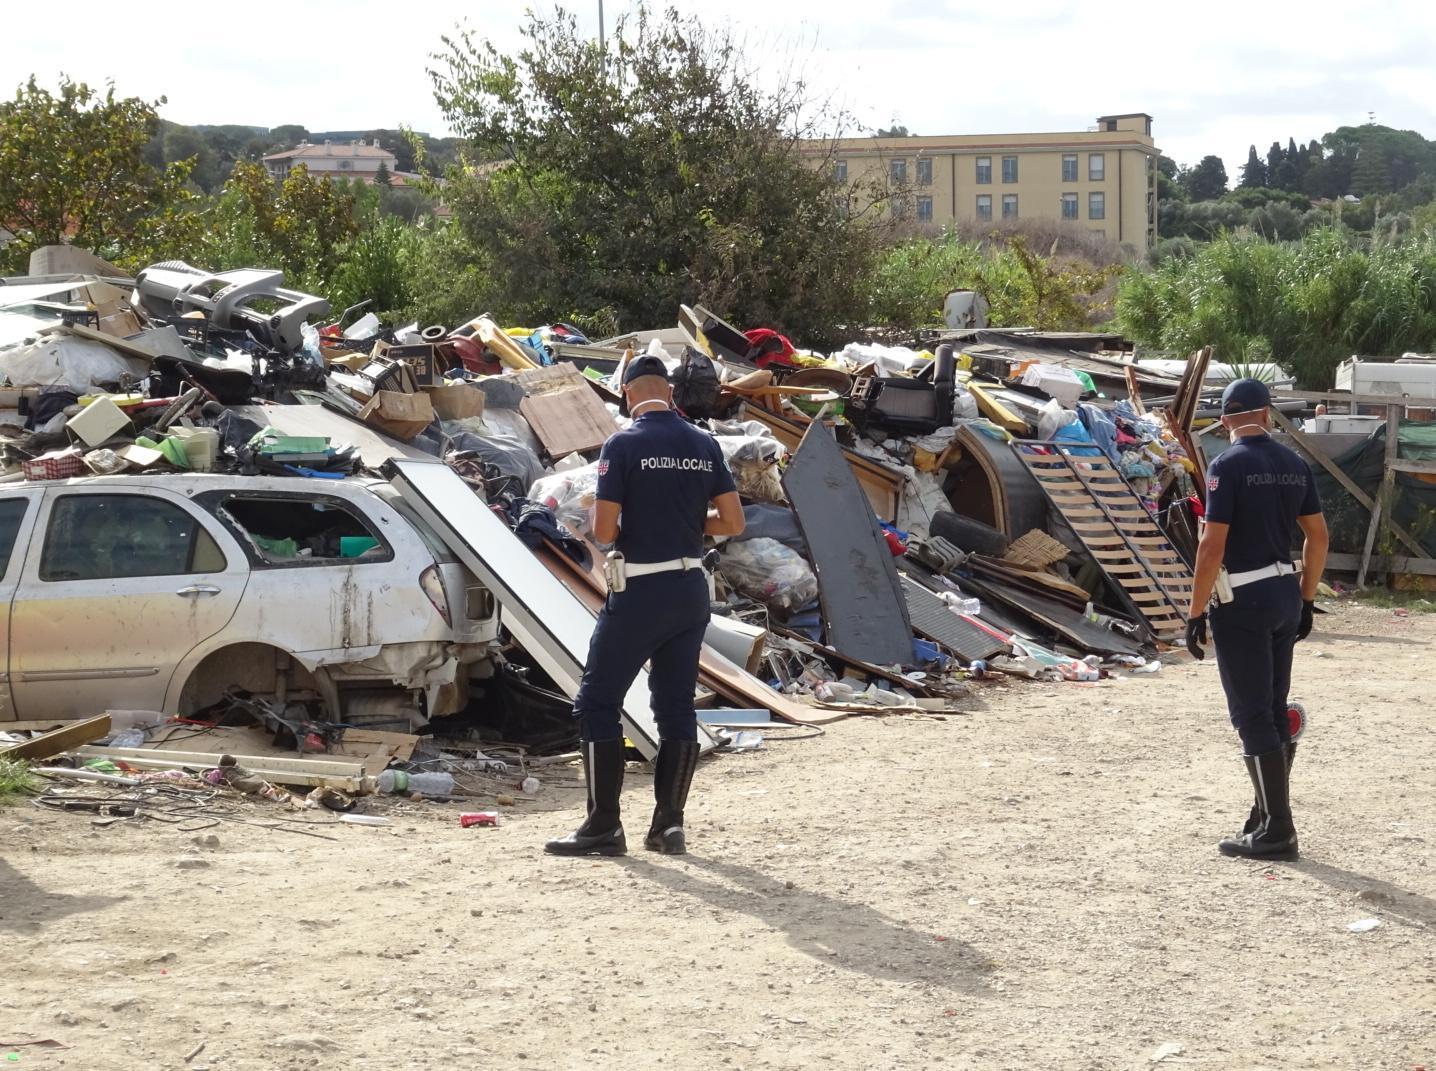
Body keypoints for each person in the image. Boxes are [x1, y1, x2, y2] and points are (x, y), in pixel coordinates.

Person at [545, 354, 745, 858]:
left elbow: (604, 531)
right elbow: (733, 522)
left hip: (640, 590)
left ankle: (602, 826)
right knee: (675, 706)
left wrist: (620, 513)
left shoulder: (623, 444)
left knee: (597, 702)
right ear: (670, 393)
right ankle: (668, 827)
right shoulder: (703, 443)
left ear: (627, 393)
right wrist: (685, 522)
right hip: (690, 590)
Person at [1185, 378, 1328, 861]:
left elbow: (1212, 545)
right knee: (1272, 707)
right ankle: (1265, 814)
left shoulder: (1226, 466)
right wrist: (1306, 598)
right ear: (1267, 414)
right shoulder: (1295, 463)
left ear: (1225, 419)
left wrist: (1195, 611)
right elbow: (1318, 537)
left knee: (1251, 715)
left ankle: (1278, 831)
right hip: (1286, 592)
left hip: (1242, 599)